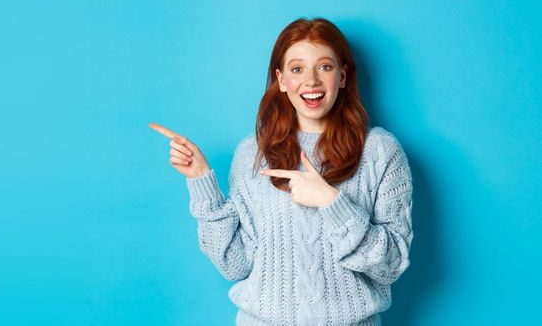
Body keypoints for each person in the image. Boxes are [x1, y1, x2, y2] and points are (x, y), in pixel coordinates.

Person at [148, 17, 413, 326]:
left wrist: (331, 202)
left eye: (324, 67)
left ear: (342, 76)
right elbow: (235, 265)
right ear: (281, 80)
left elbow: (391, 265)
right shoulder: (253, 153)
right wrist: (200, 180)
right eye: (297, 69)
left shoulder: (380, 151)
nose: (311, 81)